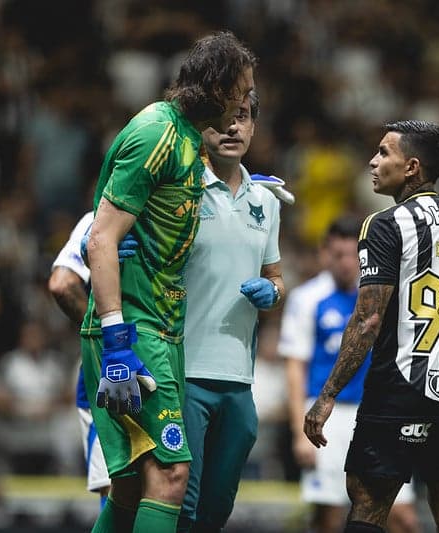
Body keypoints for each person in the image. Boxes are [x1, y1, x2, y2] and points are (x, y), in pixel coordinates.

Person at [80, 31, 257, 533]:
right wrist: (117, 342)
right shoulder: (157, 133)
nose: (244, 105)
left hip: (165, 327)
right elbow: (101, 237)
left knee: (131, 487)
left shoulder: (190, 140)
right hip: (135, 331)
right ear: (218, 89)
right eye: (242, 92)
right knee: (171, 474)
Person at [304, 120, 439, 533]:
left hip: (398, 390)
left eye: (384, 152)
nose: (373, 161)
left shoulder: (385, 223)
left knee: (368, 502)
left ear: (411, 167)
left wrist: (327, 394)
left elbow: (368, 319)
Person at [178, 90, 285, 532]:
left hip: (240, 381)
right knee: (179, 504)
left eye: (241, 117)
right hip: (183, 373)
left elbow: (275, 275)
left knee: (217, 510)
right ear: (201, 127)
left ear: (254, 128)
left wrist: (273, 291)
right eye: (220, 119)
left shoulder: (268, 201)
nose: (231, 127)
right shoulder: (180, 191)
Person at [281, 215, 421, 533]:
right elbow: (295, 366)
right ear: (324, 253)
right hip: (328, 420)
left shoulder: (384, 294)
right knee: (328, 518)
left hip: (379, 413)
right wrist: (297, 432)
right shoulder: (307, 298)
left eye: (352, 255)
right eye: (338, 255)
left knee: (403, 518)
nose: (346, 263)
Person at [48, 211, 138, 506]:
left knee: (118, 494)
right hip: (169, 361)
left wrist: (108, 337)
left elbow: (62, 284)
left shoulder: (99, 217)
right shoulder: (186, 215)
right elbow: (61, 284)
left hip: (108, 363)